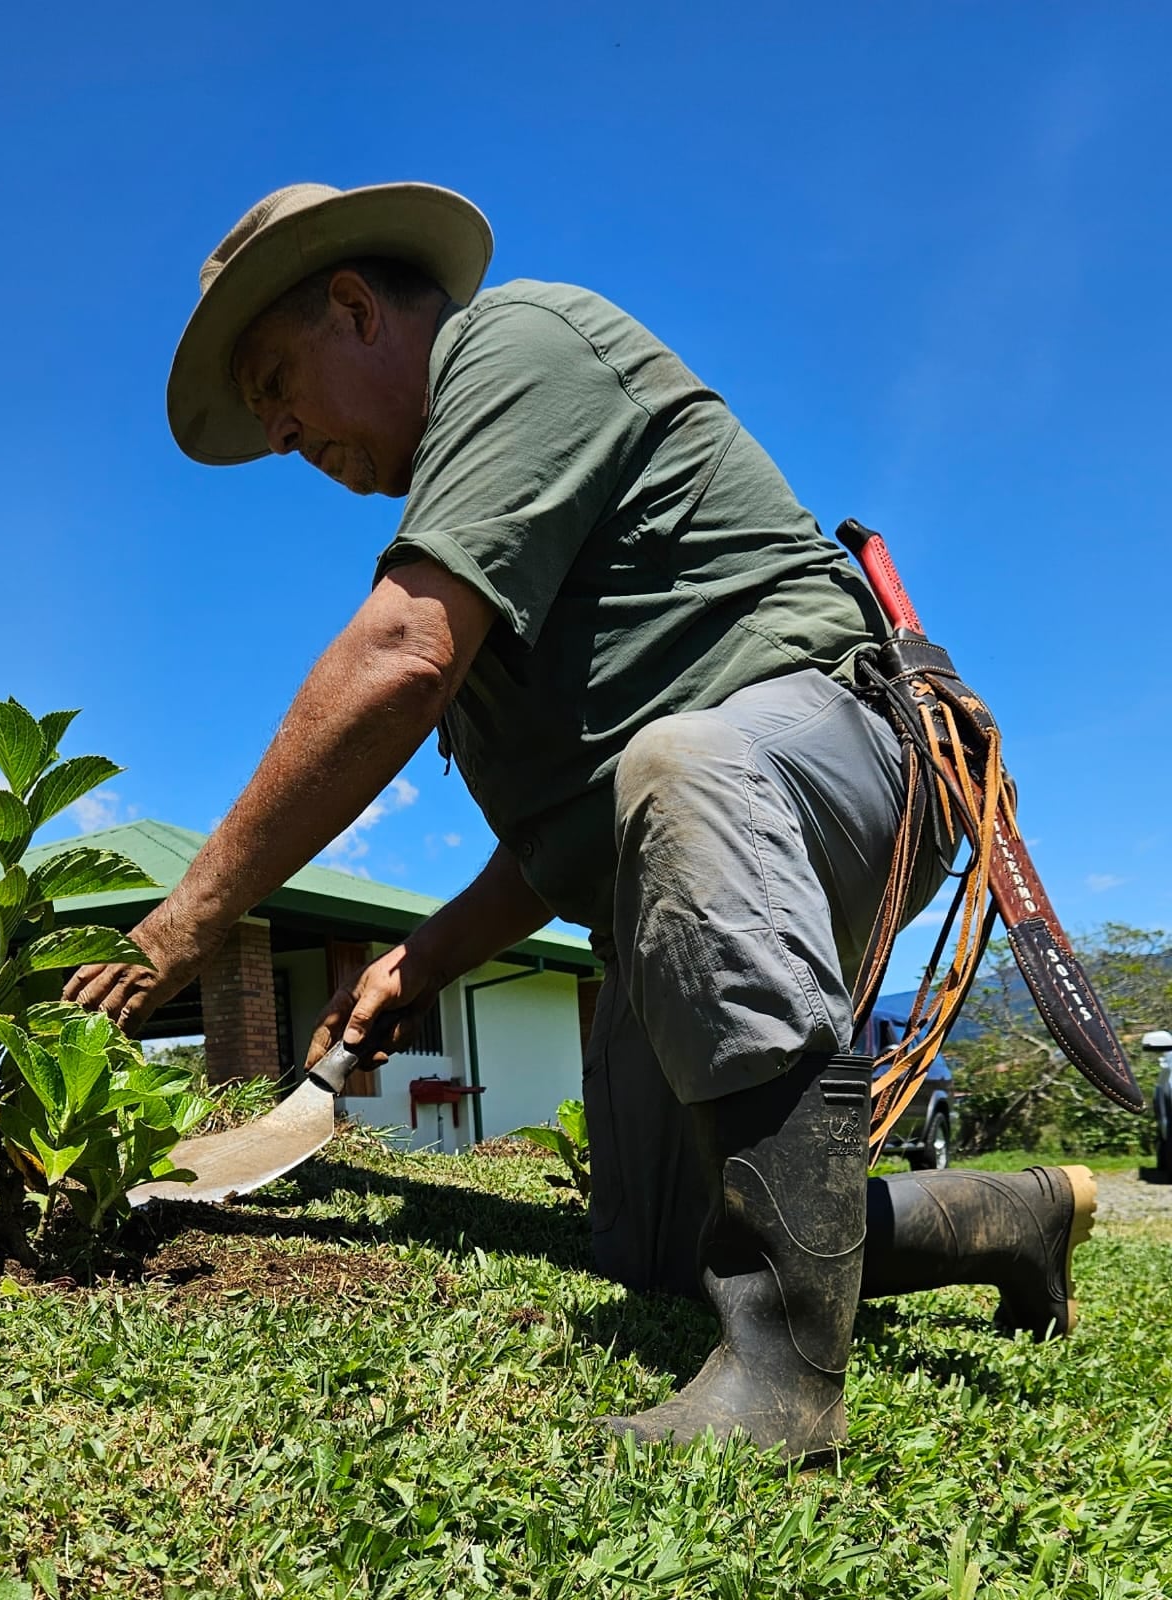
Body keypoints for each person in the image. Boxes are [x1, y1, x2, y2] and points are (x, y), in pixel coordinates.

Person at [67, 181, 1097, 1461]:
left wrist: (183, 927)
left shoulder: (521, 342)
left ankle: (784, 1384)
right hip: (695, 815)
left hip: (843, 746)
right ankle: (1014, 1215)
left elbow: (398, 658)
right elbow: (566, 840)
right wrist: (420, 958)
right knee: (662, 1245)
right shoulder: (475, 520)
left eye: (278, 379)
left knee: (683, 759)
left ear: (354, 307)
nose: (278, 430)